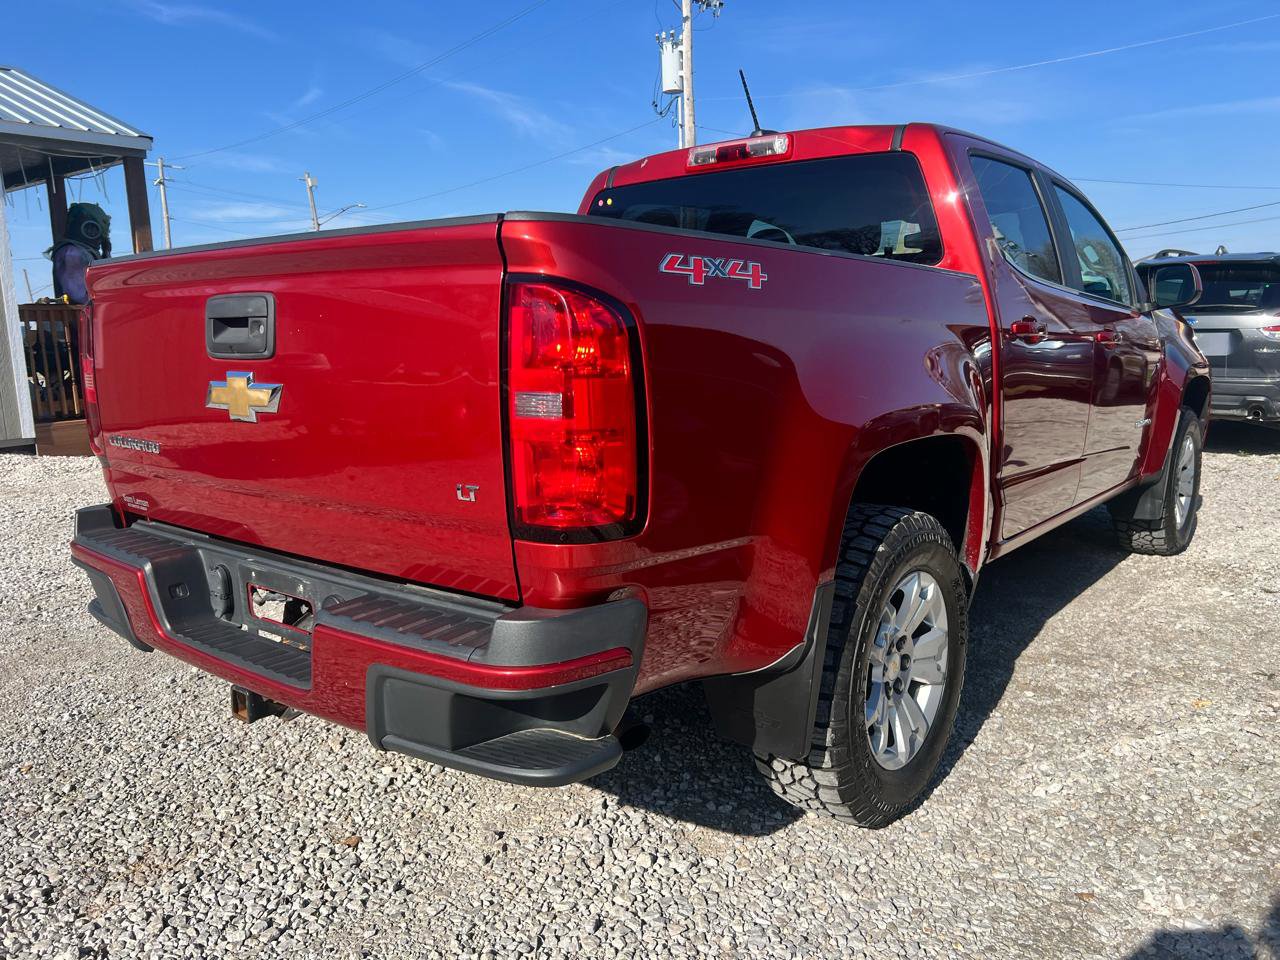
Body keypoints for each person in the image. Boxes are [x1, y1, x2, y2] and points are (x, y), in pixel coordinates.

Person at [47, 202, 112, 304]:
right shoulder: (72, 253)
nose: (92, 232)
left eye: (95, 229)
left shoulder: (86, 252)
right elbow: (78, 296)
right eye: (89, 227)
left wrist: (106, 254)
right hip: (82, 317)